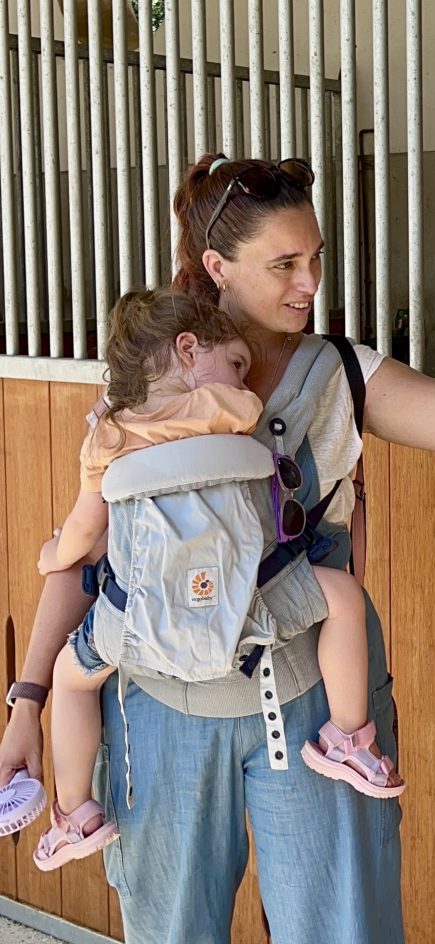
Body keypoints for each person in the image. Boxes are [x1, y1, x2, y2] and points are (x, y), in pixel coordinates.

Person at [0, 152, 435, 944]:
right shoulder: (148, 383)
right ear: (217, 267)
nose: (308, 282)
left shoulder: (342, 376)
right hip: (158, 708)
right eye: (283, 263)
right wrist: (28, 700)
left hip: (309, 709)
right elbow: (88, 559)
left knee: (339, 929)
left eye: (314, 259)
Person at [27, 287, 405, 872]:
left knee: (71, 680)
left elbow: (82, 529)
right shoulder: (235, 411)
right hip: (248, 603)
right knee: (344, 600)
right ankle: (349, 737)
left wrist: (55, 553)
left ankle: (77, 812)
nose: (242, 376)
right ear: (187, 347)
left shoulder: (109, 437)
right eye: (233, 363)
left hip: (136, 620)